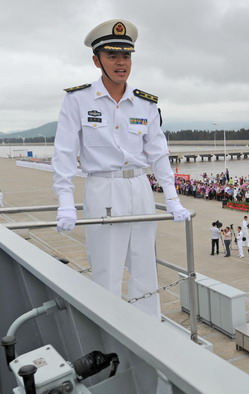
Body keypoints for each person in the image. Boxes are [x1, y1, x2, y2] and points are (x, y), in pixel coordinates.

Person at [51, 19, 190, 320]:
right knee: (106, 269)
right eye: (112, 55)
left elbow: (159, 153)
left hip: (139, 187)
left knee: (144, 268)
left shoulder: (145, 104)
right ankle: (108, 333)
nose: (120, 62)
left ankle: (148, 331)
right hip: (103, 187)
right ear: (96, 60)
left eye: (126, 56)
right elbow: (63, 154)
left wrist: (172, 198)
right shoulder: (78, 99)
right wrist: (65, 202)